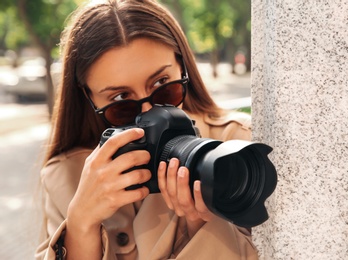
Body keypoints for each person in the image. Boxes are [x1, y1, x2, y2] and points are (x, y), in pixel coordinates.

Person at [35, 0, 256, 259]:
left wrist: (202, 225)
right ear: (90, 98)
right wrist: (81, 224)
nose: (149, 112)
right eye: (121, 101)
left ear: (182, 66)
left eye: (163, 84)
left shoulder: (240, 150)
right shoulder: (66, 178)